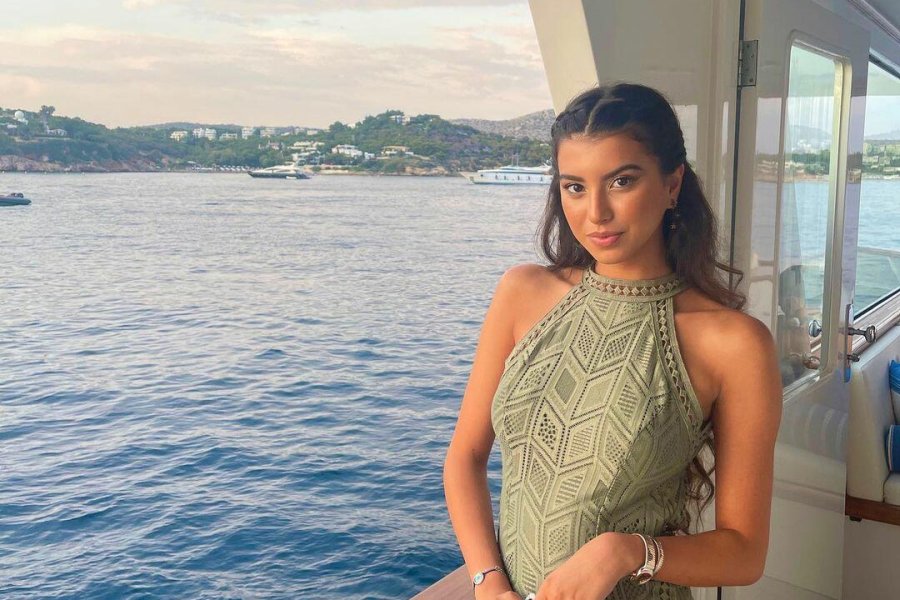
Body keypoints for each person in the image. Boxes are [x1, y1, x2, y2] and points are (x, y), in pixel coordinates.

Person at [442, 82, 783, 600]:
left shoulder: (734, 343)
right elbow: (465, 457)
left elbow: (744, 553)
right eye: (574, 187)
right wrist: (488, 583)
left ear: (672, 185)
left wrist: (626, 552)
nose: (596, 212)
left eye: (622, 181)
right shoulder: (522, 292)